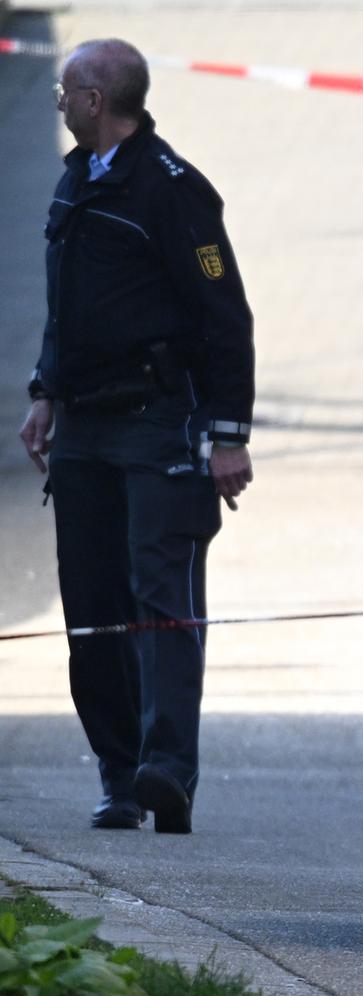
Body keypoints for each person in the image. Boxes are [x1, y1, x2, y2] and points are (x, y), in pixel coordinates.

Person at [15, 38, 256, 835]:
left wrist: (228, 435)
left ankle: (168, 771)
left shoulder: (173, 192)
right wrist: (45, 391)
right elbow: (65, 310)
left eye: (65, 90)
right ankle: (119, 775)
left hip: (160, 428)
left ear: (94, 100)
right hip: (82, 430)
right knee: (92, 608)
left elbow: (226, 317)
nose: (57, 100)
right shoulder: (75, 183)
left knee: (163, 603)